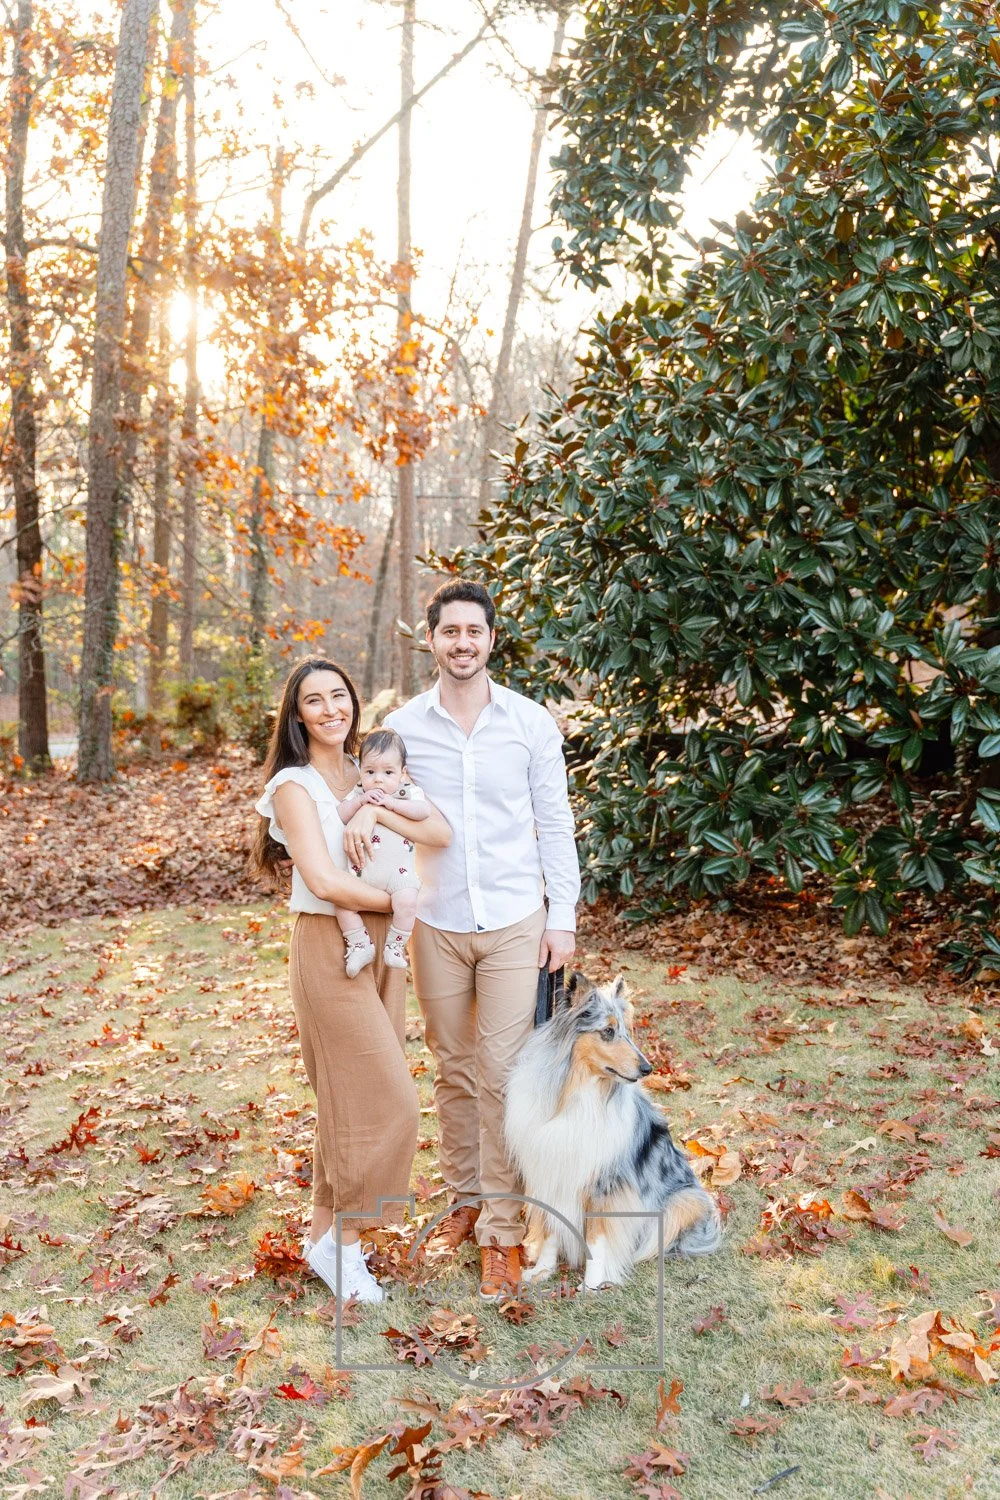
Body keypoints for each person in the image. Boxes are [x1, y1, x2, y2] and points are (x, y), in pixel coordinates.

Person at [385, 579, 580, 1301]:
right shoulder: (403, 725)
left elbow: (555, 823)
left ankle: (501, 1232)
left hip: (513, 924)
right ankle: (464, 1198)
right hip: (436, 921)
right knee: (453, 1068)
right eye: (449, 632)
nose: (462, 642)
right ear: (431, 640)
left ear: (491, 639)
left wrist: (563, 916)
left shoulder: (530, 724)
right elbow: (382, 811)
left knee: (501, 1075)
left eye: (474, 631)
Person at [251, 657, 451, 1304]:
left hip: (380, 948)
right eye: (315, 700)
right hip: (331, 946)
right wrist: (397, 903)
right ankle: (346, 1245)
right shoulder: (295, 784)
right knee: (389, 1099)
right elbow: (324, 880)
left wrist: (374, 814)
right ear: (297, 714)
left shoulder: (370, 770)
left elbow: (439, 831)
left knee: (348, 1104)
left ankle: (324, 1239)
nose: (331, 708)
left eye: (340, 695)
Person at [333, 727, 427, 977]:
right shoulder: (359, 793)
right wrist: (360, 802)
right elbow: (340, 816)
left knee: (407, 901)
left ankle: (395, 946)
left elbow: (423, 812)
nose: (378, 780)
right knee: (342, 903)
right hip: (362, 871)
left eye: (388, 772)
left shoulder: (405, 793)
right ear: (360, 771)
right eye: (370, 772)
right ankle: (359, 945)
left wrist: (392, 804)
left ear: (402, 773)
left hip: (398, 873)